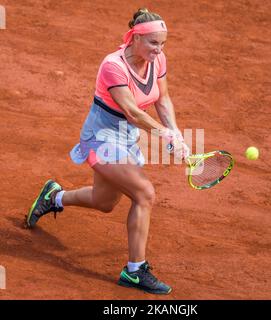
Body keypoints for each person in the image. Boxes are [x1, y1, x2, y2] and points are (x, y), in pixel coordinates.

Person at [24, 8, 189, 295]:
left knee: (104, 201)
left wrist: (174, 131)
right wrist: (164, 136)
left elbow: (163, 99)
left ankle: (54, 196)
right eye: (153, 43)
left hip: (126, 138)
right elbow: (133, 112)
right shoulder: (112, 65)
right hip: (101, 139)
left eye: (163, 44)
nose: (159, 50)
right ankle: (135, 270)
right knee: (144, 193)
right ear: (135, 39)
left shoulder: (157, 60)